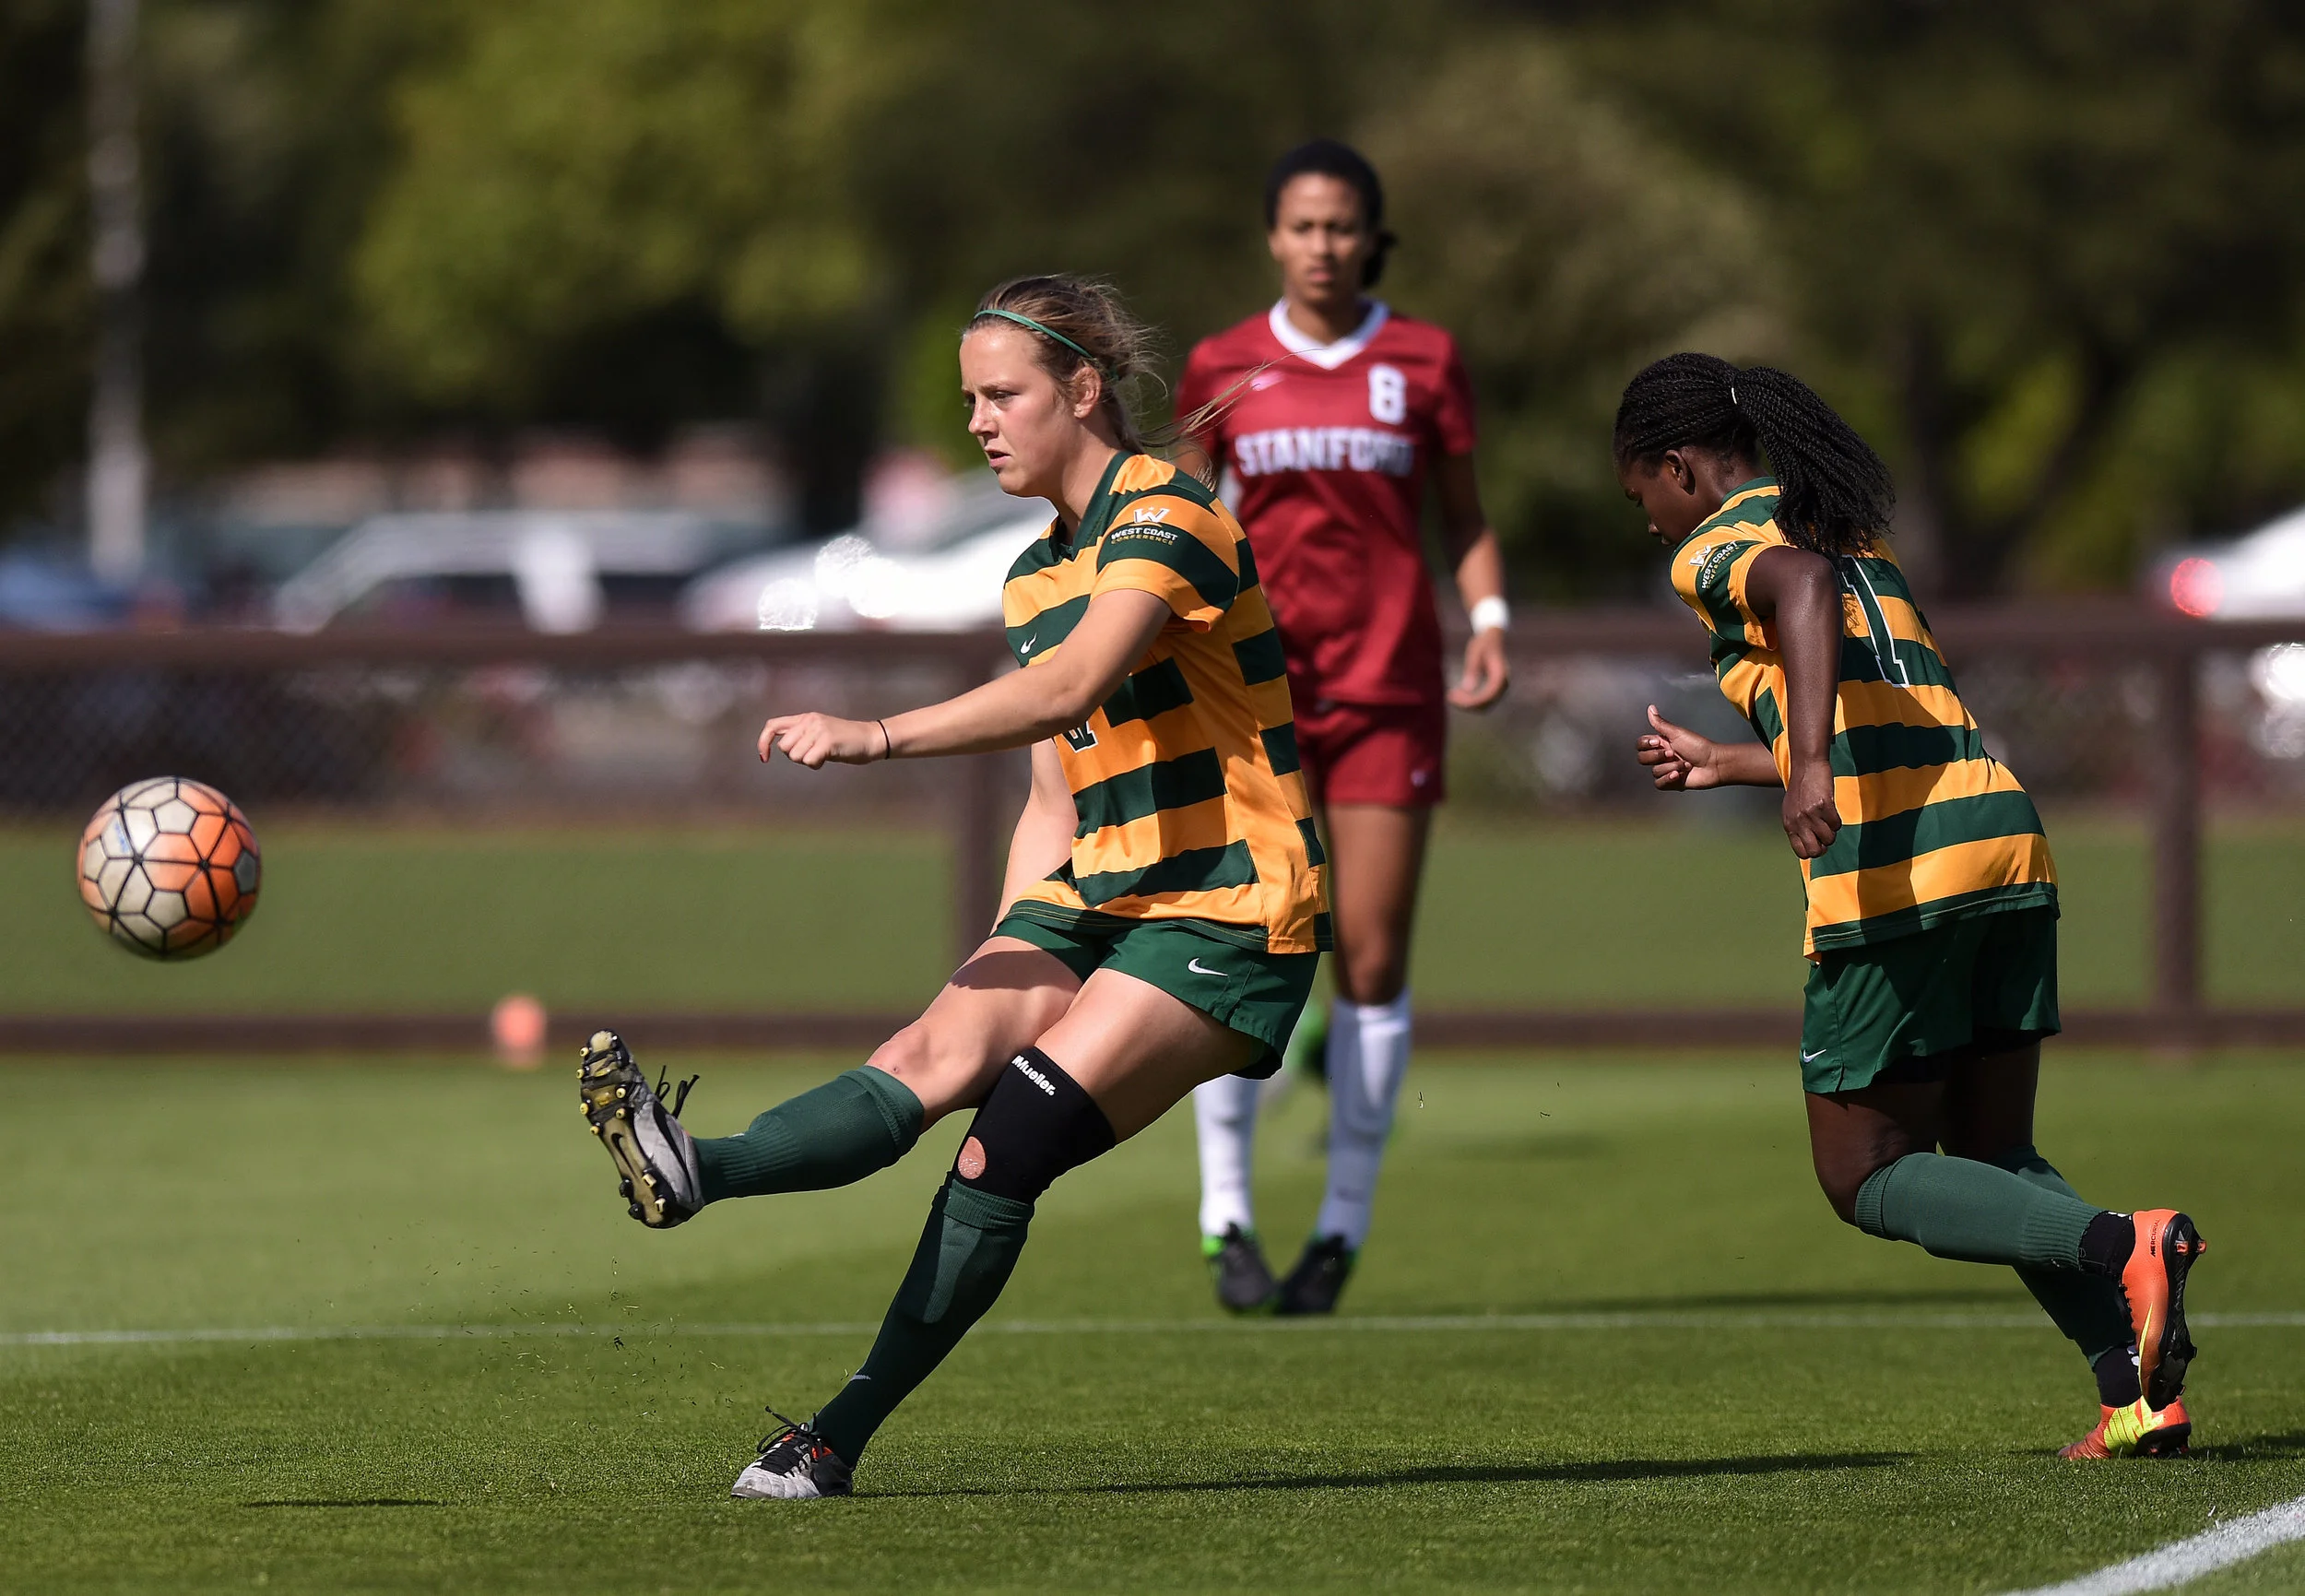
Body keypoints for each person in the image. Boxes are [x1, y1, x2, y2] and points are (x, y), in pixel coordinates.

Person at [577, 274, 1329, 1499]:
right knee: (928, 1054)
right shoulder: (1034, 572)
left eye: (1003, 395)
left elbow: (1071, 687)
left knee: (1008, 1135)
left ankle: (833, 1438)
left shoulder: (1169, 514)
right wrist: (1005, 957)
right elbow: (1053, 793)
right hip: (1105, 890)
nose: (979, 422)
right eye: (970, 397)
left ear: (1084, 390)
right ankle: (693, 1166)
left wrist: (873, 732)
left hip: (1233, 904)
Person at [1620, 351, 2207, 1460]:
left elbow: (1800, 598)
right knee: (1991, 1150)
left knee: (1864, 1173)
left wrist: (1795, 767)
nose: (1647, 522)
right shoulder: (1848, 530)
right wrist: (1730, 762)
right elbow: (1890, 717)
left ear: (1681, 468)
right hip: (2001, 843)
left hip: (1904, 876)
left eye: (1640, 493)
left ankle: (2124, 1242)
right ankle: (2134, 1393)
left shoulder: (1727, 549)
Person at [1172, 138, 1510, 1316]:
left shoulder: (1423, 359)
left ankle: (1339, 1233)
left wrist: (1492, 618)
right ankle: (1225, 1220)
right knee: (1240, 944)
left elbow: (1462, 520)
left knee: (1367, 956)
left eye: (1342, 227)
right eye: (1302, 226)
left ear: (1371, 236)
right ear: (1273, 236)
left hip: (1388, 692)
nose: (1322, 246)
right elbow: (1181, 527)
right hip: (1254, 697)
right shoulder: (1222, 365)